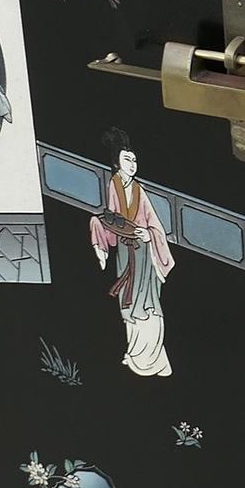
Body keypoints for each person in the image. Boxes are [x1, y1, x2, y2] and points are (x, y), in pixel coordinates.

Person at [89, 128, 175, 377]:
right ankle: (137, 355)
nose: (133, 164)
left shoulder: (139, 190)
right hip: (127, 254)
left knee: (148, 303)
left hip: (145, 253)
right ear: (117, 163)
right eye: (128, 159)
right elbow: (110, 217)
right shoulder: (113, 185)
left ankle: (152, 359)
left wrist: (149, 234)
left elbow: (153, 222)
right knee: (128, 302)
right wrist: (100, 235)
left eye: (134, 160)